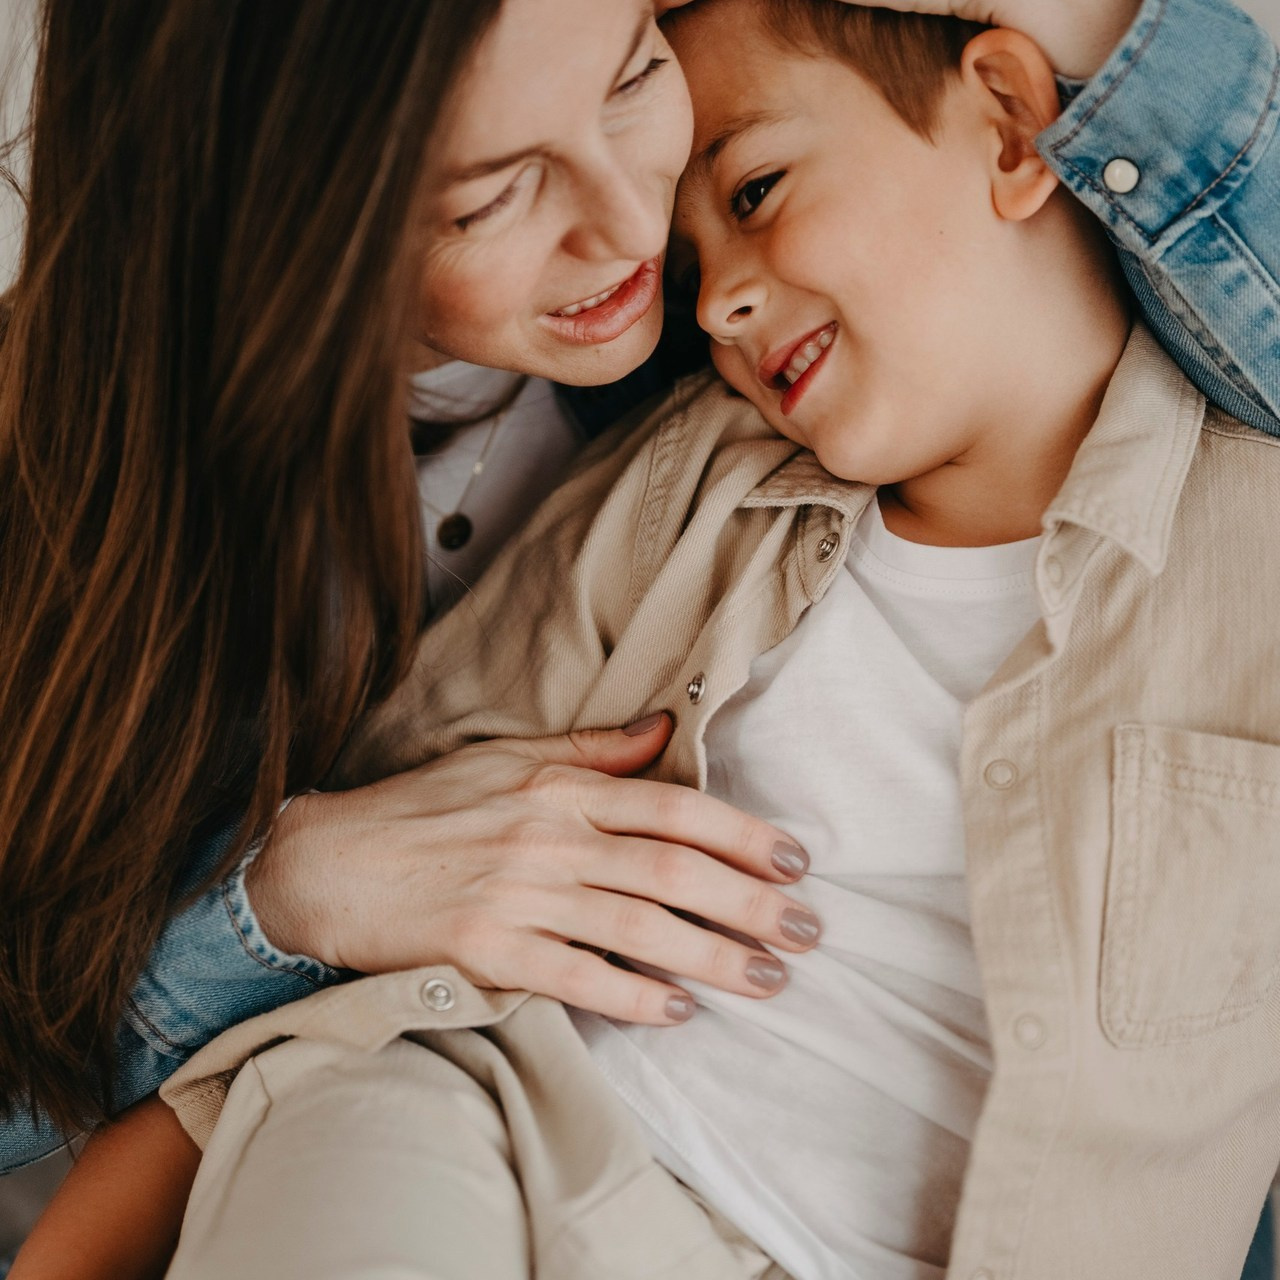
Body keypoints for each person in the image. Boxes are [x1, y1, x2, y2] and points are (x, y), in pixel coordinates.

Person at [4, 0, 1280, 1271]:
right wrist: (283, 898)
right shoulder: (695, 480)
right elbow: (300, 1046)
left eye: (628, 78)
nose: (651, 246)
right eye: (489, 198)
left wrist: (1090, 22)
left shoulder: (826, 336)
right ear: (297, 229)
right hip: (475, 1109)